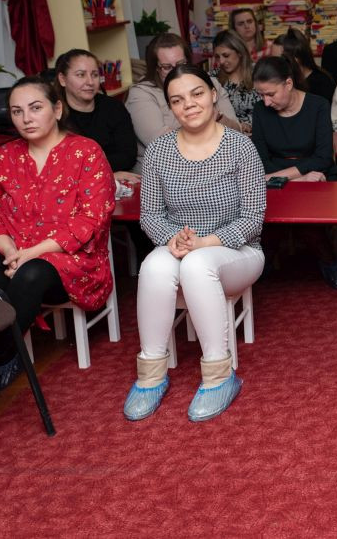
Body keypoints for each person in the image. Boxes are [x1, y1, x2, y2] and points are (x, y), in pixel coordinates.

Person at [0, 77, 115, 435]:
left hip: (68, 261)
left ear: (57, 109)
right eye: (17, 111)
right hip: (14, 251)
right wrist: (9, 249)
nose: (26, 118)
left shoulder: (86, 151)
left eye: (35, 108)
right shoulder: (4, 157)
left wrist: (31, 253)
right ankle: (6, 354)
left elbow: (91, 219)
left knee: (31, 273)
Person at [123, 65, 265, 422]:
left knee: (197, 265)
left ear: (213, 95)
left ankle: (219, 375)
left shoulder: (240, 147)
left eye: (197, 93)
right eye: (177, 100)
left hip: (238, 251)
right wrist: (172, 238)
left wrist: (204, 243)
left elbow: (252, 218)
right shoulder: (158, 151)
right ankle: (151, 375)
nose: (189, 104)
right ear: (171, 107)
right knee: (154, 265)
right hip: (182, 247)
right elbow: (150, 215)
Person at [251, 56, 337, 288]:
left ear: (289, 83)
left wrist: (285, 177)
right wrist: (297, 178)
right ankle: (262, 264)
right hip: (284, 175)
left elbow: (323, 157)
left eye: (271, 94)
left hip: (317, 175)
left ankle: (329, 260)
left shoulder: (318, 105)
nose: (266, 102)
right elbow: (260, 161)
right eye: (261, 95)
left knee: (306, 217)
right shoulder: (260, 110)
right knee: (268, 218)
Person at [126, 33, 239, 171]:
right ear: (156, 68)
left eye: (181, 64)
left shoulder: (210, 83)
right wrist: (210, 124)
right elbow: (163, 145)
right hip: (166, 170)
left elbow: (237, 132)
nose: (176, 71)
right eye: (167, 67)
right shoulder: (141, 93)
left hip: (218, 163)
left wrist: (219, 117)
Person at [56, 48, 139, 182]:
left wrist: (89, 166)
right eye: (81, 75)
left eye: (94, 75)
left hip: (120, 180)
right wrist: (106, 174)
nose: (90, 82)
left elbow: (128, 156)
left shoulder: (113, 107)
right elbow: (60, 168)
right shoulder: (54, 115)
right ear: (62, 79)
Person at [211, 29, 260, 133]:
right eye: (217, 57)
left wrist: (249, 125)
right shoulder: (213, 78)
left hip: (258, 133)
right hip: (226, 134)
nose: (221, 61)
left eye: (226, 55)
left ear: (240, 52)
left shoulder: (259, 73)